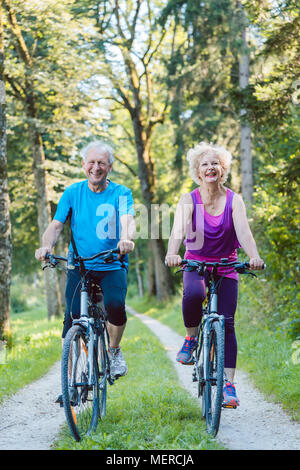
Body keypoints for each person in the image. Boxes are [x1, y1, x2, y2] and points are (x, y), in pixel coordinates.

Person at [165, 141, 264, 407]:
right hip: (196, 263)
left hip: (226, 266)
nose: (210, 168)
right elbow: (177, 231)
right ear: (197, 171)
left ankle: (228, 386)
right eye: (205, 164)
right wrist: (172, 253)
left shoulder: (234, 200)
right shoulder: (189, 199)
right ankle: (191, 338)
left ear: (223, 170)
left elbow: (243, 232)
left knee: (228, 322)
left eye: (215, 164)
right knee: (194, 294)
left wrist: (253, 257)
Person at [35, 140, 135, 379]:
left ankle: (113, 351)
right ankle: (68, 382)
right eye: (91, 162)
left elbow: (128, 221)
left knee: (114, 306)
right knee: (71, 319)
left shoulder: (122, 193)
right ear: (83, 165)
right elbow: (56, 225)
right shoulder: (72, 193)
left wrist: (126, 239)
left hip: (111, 264)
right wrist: (46, 245)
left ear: (110, 167)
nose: (96, 167)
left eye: (102, 163)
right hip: (79, 266)